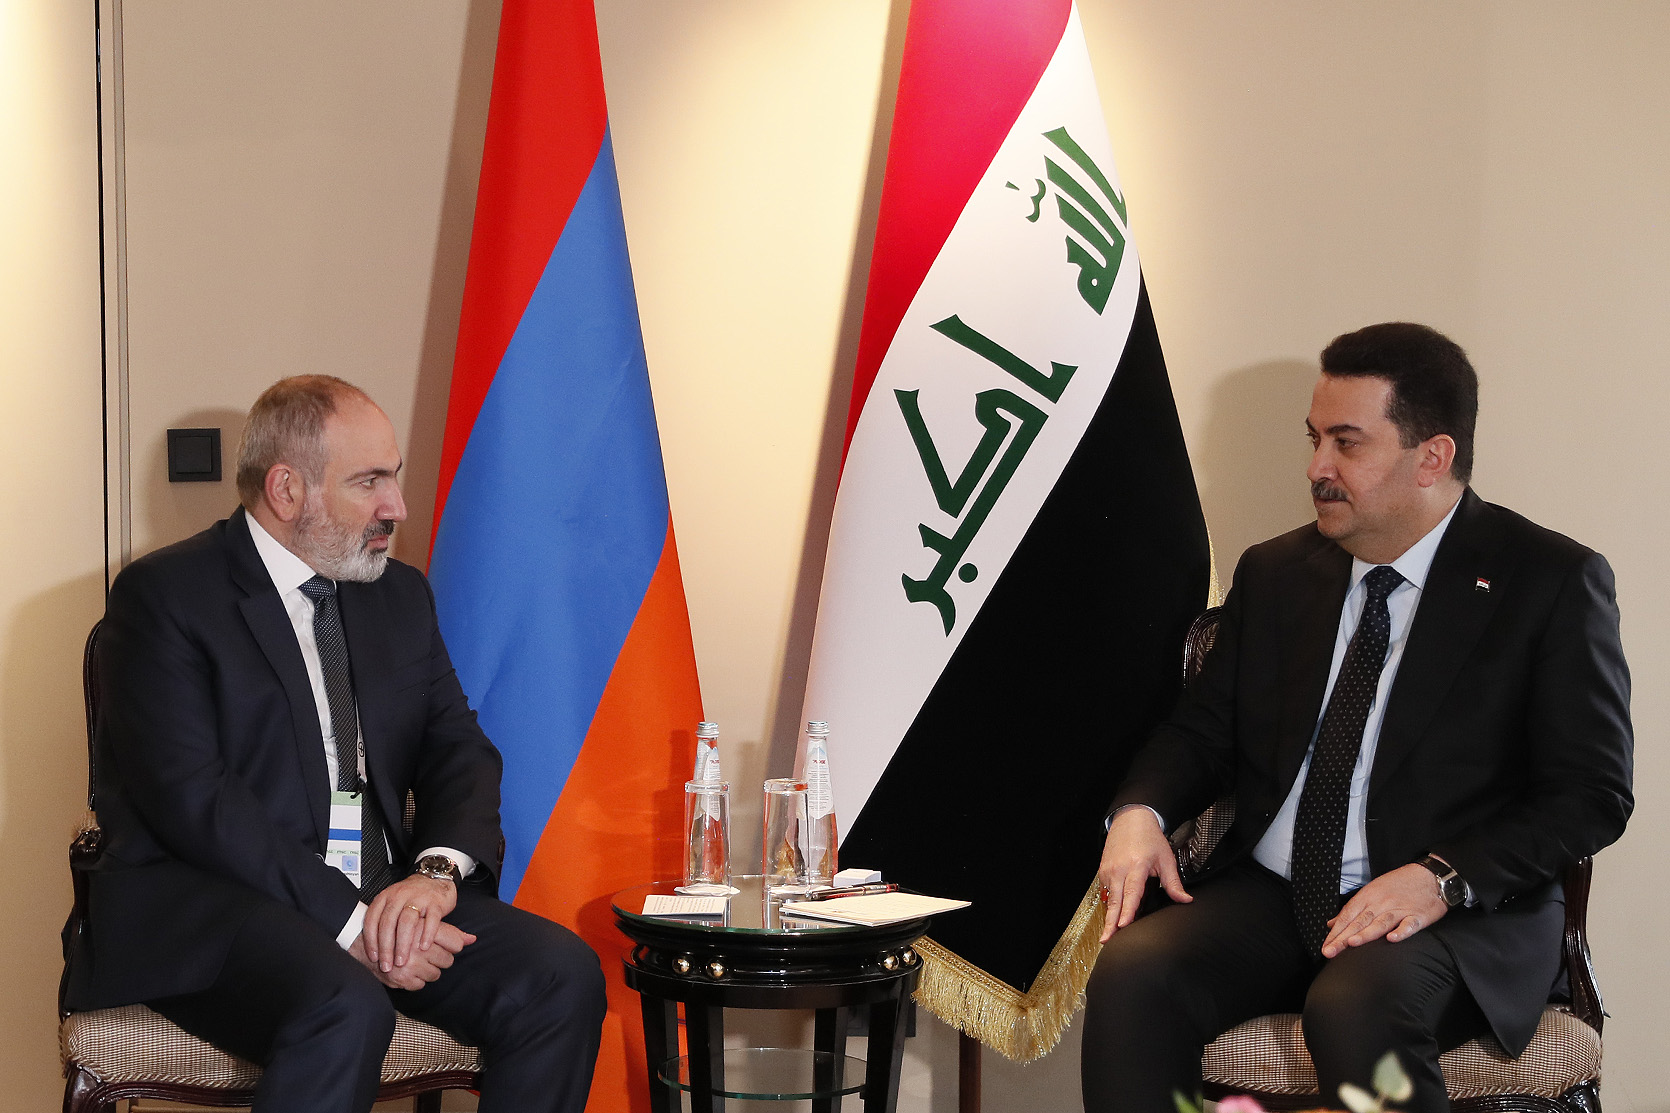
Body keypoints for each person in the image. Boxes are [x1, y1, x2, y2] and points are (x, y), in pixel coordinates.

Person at [1080, 323, 1632, 1113]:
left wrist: (1443, 876)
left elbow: (1590, 793)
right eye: (1315, 440)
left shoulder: (1548, 581)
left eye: (1347, 443)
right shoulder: (1277, 572)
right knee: (1135, 972)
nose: (1317, 468)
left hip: (1452, 910)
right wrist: (1140, 812)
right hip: (1279, 893)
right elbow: (1201, 731)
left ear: (1431, 457)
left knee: (1354, 1001)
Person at [63, 376, 607, 1113]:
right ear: (288, 490)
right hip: (219, 907)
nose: (397, 507)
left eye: (393, 478)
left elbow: (458, 747)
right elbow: (194, 800)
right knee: (345, 1004)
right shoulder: (164, 596)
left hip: (383, 891)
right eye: (369, 481)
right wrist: (352, 924)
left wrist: (433, 878)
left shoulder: (398, 595)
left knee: (558, 975)